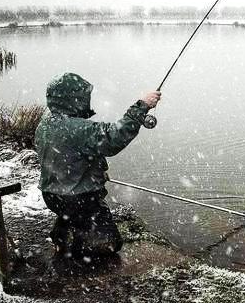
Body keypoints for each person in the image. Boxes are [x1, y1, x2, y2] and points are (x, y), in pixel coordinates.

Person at [34, 72, 160, 260]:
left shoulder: (45, 124)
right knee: (110, 243)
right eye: (83, 97)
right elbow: (113, 138)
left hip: (52, 196)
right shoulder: (78, 128)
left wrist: (93, 172)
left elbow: (68, 157)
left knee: (71, 215)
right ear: (73, 99)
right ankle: (79, 253)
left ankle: (63, 235)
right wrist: (141, 106)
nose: (87, 100)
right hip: (78, 199)